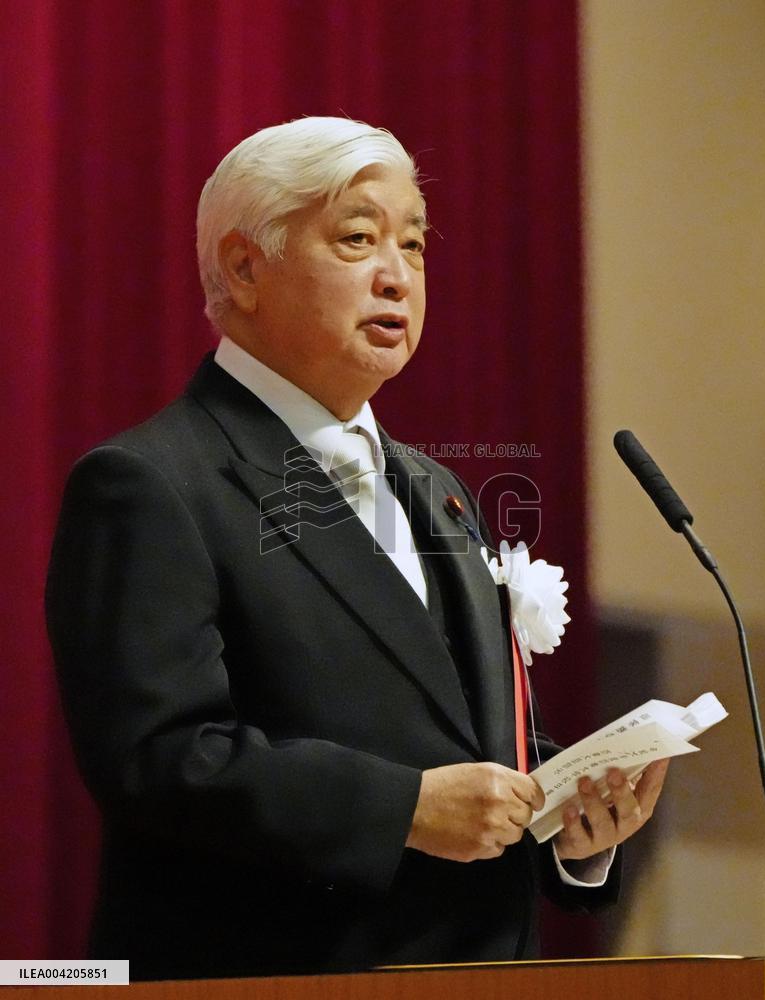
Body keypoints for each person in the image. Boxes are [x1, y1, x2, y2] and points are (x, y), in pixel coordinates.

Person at [46, 117, 668, 981]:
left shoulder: (442, 490)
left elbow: (461, 738)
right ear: (242, 267)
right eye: (358, 239)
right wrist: (404, 809)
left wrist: (572, 821)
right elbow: (159, 760)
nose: (398, 276)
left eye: (413, 246)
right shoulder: (150, 483)